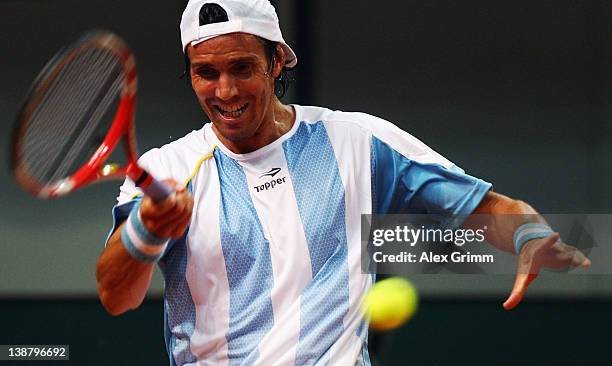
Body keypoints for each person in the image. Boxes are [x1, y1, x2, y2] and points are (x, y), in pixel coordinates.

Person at [95, 0, 591, 365]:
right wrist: (148, 230)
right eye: (206, 73)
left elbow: (482, 206)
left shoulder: (357, 142)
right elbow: (116, 297)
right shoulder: (167, 168)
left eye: (242, 67)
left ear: (276, 62)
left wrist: (527, 234)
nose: (225, 91)